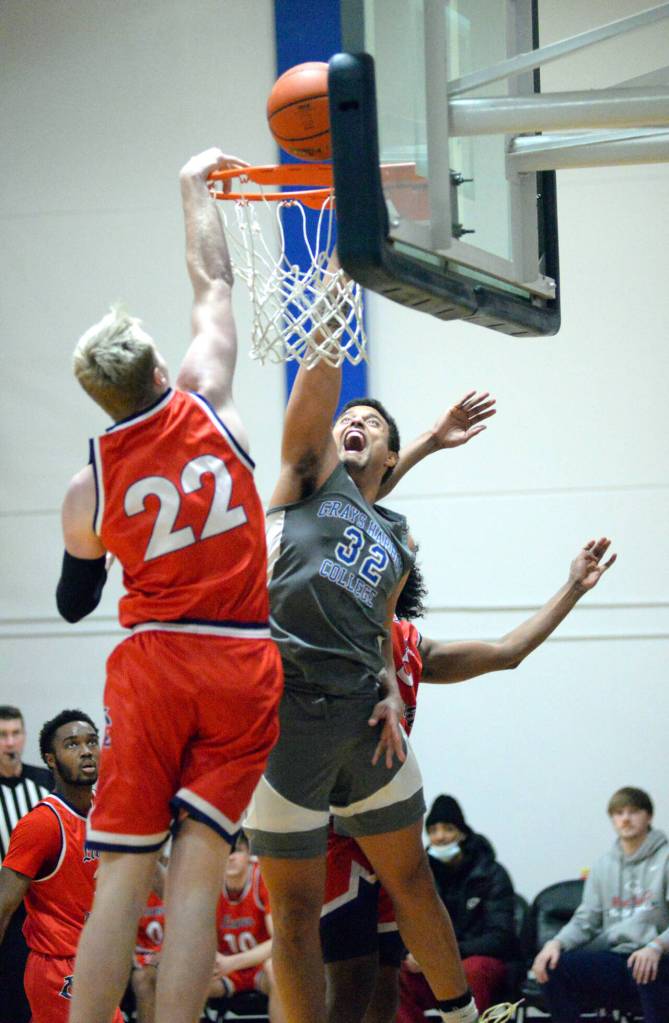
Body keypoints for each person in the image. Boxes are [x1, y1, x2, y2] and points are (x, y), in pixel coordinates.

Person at [57, 147, 283, 1023]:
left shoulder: (91, 485)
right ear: (156, 372)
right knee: (199, 868)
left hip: (154, 661)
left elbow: (75, 600)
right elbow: (213, 284)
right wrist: (194, 185)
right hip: (241, 660)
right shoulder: (207, 398)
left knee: (122, 871)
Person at [245, 342, 493, 1023]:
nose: (353, 420)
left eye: (371, 421)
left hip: (365, 719)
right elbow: (334, 426)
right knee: (294, 913)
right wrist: (336, 286)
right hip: (285, 715)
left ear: (384, 456)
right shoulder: (303, 485)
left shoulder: (397, 538)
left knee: (411, 879)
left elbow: (379, 621)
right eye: (346, 418)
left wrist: (389, 685)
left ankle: (461, 1013)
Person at [322, 537, 617, 1023]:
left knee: (383, 990)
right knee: (347, 987)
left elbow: (508, 651)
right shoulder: (331, 631)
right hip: (333, 828)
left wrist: (572, 587)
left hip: (388, 829)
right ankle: (463, 1014)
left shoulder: (412, 645)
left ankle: (461, 1011)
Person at [0, 710, 122, 1023]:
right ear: (50, 760)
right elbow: (3, 906)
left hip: (100, 960)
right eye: (71, 745)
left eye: (91, 741)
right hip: (59, 968)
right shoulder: (42, 824)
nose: (85, 750)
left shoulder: (108, 809)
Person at [533, 786, 669, 1023]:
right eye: (618, 813)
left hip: (659, 955)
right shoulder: (603, 865)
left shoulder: (665, 857)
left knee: (648, 970)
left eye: (633, 811)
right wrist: (556, 943)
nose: (625, 819)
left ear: (648, 816)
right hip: (618, 957)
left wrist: (656, 946)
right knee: (554, 967)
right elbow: (586, 919)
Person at [399, 796, 517, 1020]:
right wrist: (413, 955)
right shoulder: (420, 876)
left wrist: (447, 954)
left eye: (448, 828)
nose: (440, 836)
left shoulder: (492, 874)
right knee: (394, 974)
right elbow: (407, 925)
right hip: (436, 966)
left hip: (480, 962)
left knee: (470, 970)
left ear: (462, 833)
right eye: (433, 830)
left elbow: (501, 938)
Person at [0, 705, 53, 1023]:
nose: (9, 742)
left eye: (15, 734)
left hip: (40, 901)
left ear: (24, 738)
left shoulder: (45, 783)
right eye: (2, 735)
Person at [208, 832, 285, 1022]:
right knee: (185, 977)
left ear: (249, 852)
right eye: (225, 851)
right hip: (226, 971)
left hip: (259, 967)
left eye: (236, 850)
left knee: (278, 970)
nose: (230, 857)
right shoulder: (210, 883)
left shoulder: (264, 877)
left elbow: (279, 941)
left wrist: (233, 962)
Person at [131, 860, 167, 1023]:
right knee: (143, 978)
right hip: (137, 957)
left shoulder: (177, 888)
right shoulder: (129, 888)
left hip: (165, 956)